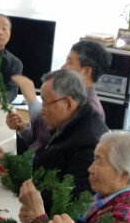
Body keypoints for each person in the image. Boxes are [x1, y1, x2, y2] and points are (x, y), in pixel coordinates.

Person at [7, 40, 111, 152]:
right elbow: (41, 139)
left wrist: (32, 99)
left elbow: (50, 144)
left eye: (69, 62)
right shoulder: (70, 97)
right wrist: (23, 128)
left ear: (85, 71)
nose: (63, 67)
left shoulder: (89, 111)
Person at [29, 69, 110, 203]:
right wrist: (11, 163)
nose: (42, 111)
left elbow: (71, 199)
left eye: (45, 104)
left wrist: (23, 185)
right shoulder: (71, 121)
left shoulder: (89, 142)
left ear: (68, 103)